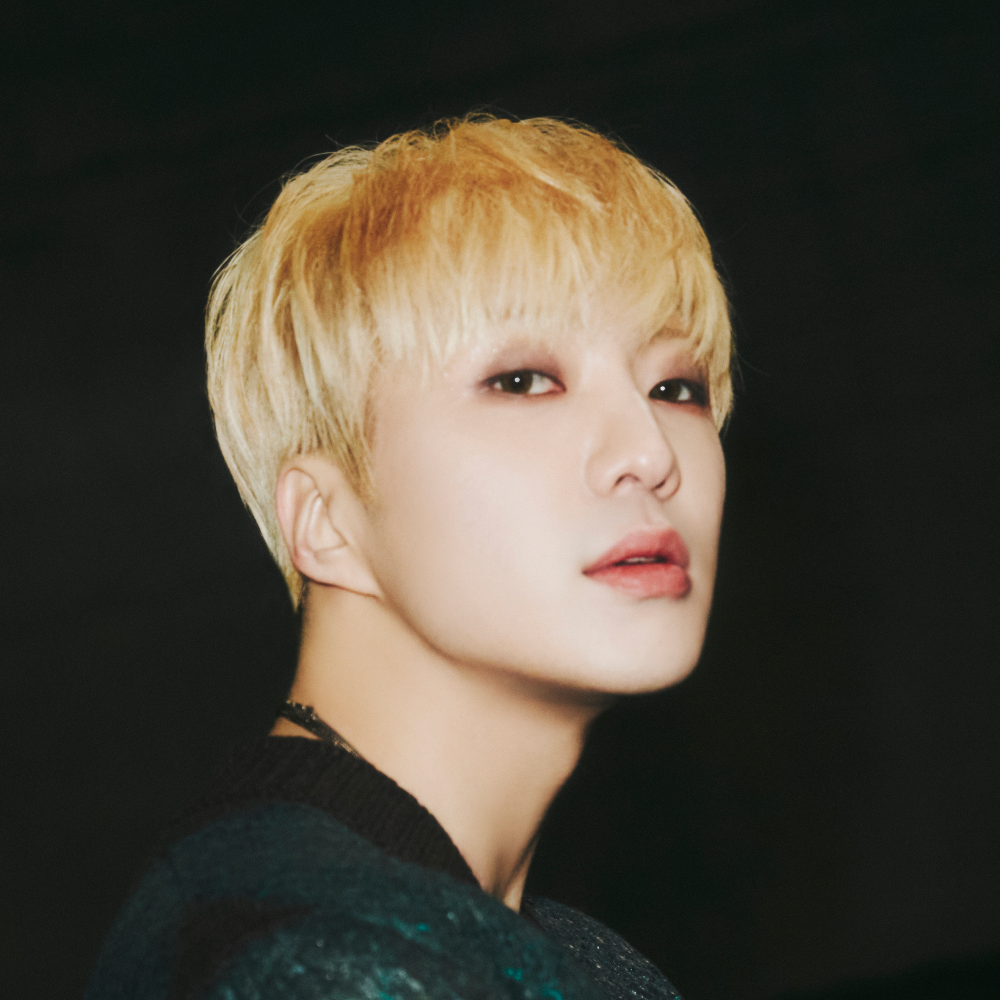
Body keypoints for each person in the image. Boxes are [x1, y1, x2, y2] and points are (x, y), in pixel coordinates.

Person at [86, 114, 732, 1000]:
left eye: (675, 387)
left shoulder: (528, 945)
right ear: (326, 520)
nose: (650, 453)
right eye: (522, 380)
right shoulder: (321, 960)